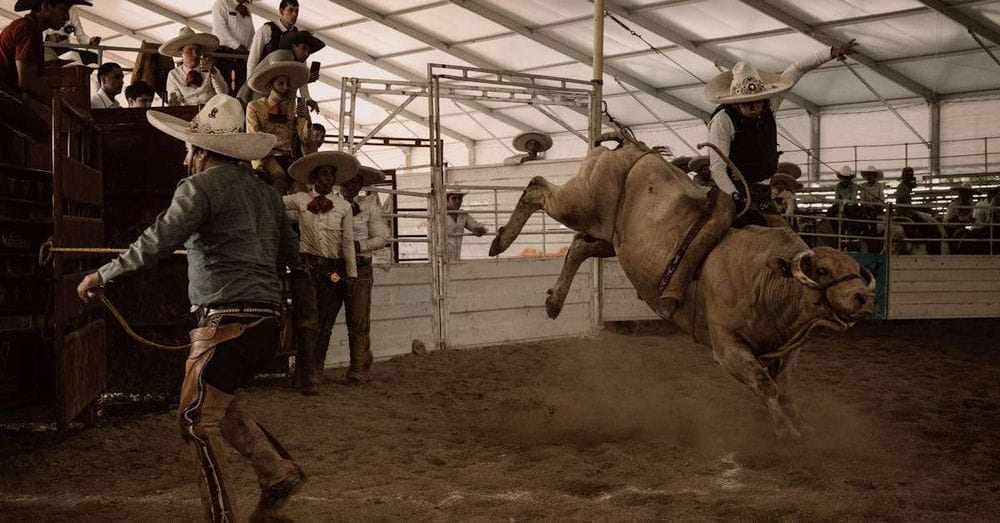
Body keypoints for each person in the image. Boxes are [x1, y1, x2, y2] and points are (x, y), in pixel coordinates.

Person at [75, 94, 306, 522]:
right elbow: (290, 254)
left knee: (196, 421)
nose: (187, 157)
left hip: (226, 324)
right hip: (263, 324)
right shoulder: (268, 196)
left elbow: (157, 240)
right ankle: (276, 473)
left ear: (199, 151)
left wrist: (103, 275)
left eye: (189, 149)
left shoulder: (198, 188)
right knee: (219, 406)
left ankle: (223, 516)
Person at [705, 40, 858, 226]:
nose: (756, 107)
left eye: (759, 101)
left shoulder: (771, 105)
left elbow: (797, 69)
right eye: (749, 103)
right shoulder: (722, 121)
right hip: (731, 189)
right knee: (721, 232)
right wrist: (736, 198)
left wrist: (831, 52)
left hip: (762, 192)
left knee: (782, 232)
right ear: (736, 102)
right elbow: (718, 169)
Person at [283, 151, 359, 393]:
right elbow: (274, 207)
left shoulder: (344, 206)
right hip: (305, 269)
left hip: (332, 272)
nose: (328, 178)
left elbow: (347, 241)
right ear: (314, 177)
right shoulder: (299, 200)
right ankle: (307, 376)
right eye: (324, 174)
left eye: (331, 174)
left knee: (324, 323)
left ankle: (315, 368)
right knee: (307, 321)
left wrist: (352, 274)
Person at [334, 165, 388, 384]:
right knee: (326, 317)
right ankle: (360, 362)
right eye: (349, 179)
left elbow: (381, 239)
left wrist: (356, 246)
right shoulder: (331, 202)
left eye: (357, 181)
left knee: (358, 320)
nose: (353, 184)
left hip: (360, 267)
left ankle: (358, 366)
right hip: (334, 268)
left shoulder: (369, 206)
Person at [245, 59, 311, 193]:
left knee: (301, 186)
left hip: (288, 157)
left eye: (287, 84)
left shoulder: (293, 106)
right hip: (264, 157)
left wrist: (306, 118)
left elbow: (304, 138)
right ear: (270, 86)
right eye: (280, 84)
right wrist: (267, 157)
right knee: (278, 175)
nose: (286, 88)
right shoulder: (255, 106)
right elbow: (253, 136)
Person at [1, 0, 88, 96]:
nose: (67, 17)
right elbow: (27, 84)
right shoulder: (28, 29)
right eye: (63, 10)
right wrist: (57, 103)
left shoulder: (28, 26)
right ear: (45, 7)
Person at [240, 29, 324, 110]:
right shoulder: (279, 56)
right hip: (258, 95)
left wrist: (307, 98)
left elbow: (294, 82)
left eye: (309, 51)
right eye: (304, 48)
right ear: (294, 47)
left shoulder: (300, 62)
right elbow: (277, 82)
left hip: (277, 100)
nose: (306, 54)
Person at [246, 0, 301, 98]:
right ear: (281, 11)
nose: (294, 14)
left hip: (286, 89)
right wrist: (249, 87)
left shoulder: (298, 36)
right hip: (264, 87)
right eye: (291, 10)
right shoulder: (266, 30)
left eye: (297, 11)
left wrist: (306, 95)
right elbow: (253, 59)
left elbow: (300, 64)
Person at [162, 26, 228, 106]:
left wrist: (213, 72)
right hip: (187, 113)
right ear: (181, 53)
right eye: (189, 51)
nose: (195, 54)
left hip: (211, 111)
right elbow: (175, 100)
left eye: (197, 51)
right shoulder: (174, 74)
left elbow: (223, 94)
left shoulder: (210, 69)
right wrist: (173, 100)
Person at [211, 0, 254, 94]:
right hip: (223, 56)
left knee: (242, 90)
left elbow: (251, 32)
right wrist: (238, 46)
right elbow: (220, 29)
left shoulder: (246, 8)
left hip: (241, 57)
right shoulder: (222, 3)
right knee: (224, 90)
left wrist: (251, 48)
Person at [445, 191, 487, 261]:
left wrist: (480, 229)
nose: (457, 201)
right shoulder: (439, 214)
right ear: (446, 199)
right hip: (440, 257)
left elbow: (476, 225)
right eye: (454, 198)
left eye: (460, 198)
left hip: (456, 256)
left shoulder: (463, 215)